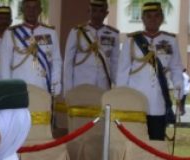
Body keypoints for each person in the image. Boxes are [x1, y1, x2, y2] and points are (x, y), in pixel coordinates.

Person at [115, 1, 181, 141]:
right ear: (142, 18)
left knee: (156, 141)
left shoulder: (170, 40)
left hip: (158, 101)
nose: (153, 19)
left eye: (157, 16)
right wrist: (122, 97)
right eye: (149, 16)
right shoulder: (132, 41)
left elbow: (176, 67)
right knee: (135, 141)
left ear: (162, 18)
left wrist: (178, 89)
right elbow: (122, 72)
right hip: (136, 100)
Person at [4, 0, 62, 97]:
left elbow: (56, 60)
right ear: (22, 9)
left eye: (35, 7)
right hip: (19, 88)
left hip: (42, 87)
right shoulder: (11, 33)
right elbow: (5, 65)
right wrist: (7, 90)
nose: (31, 11)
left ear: (40, 10)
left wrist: (55, 84)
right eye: (28, 7)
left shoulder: (50, 33)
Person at [63, 0, 118, 93]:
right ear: (89, 11)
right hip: (81, 85)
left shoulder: (113, 34)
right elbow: (68, 63)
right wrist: (68, 91)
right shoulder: (77, 32)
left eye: (101, 11)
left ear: (106, 13)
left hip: (103, 86)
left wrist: (119, 88)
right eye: (94, 10)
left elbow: (115, 63)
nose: (97, 15)